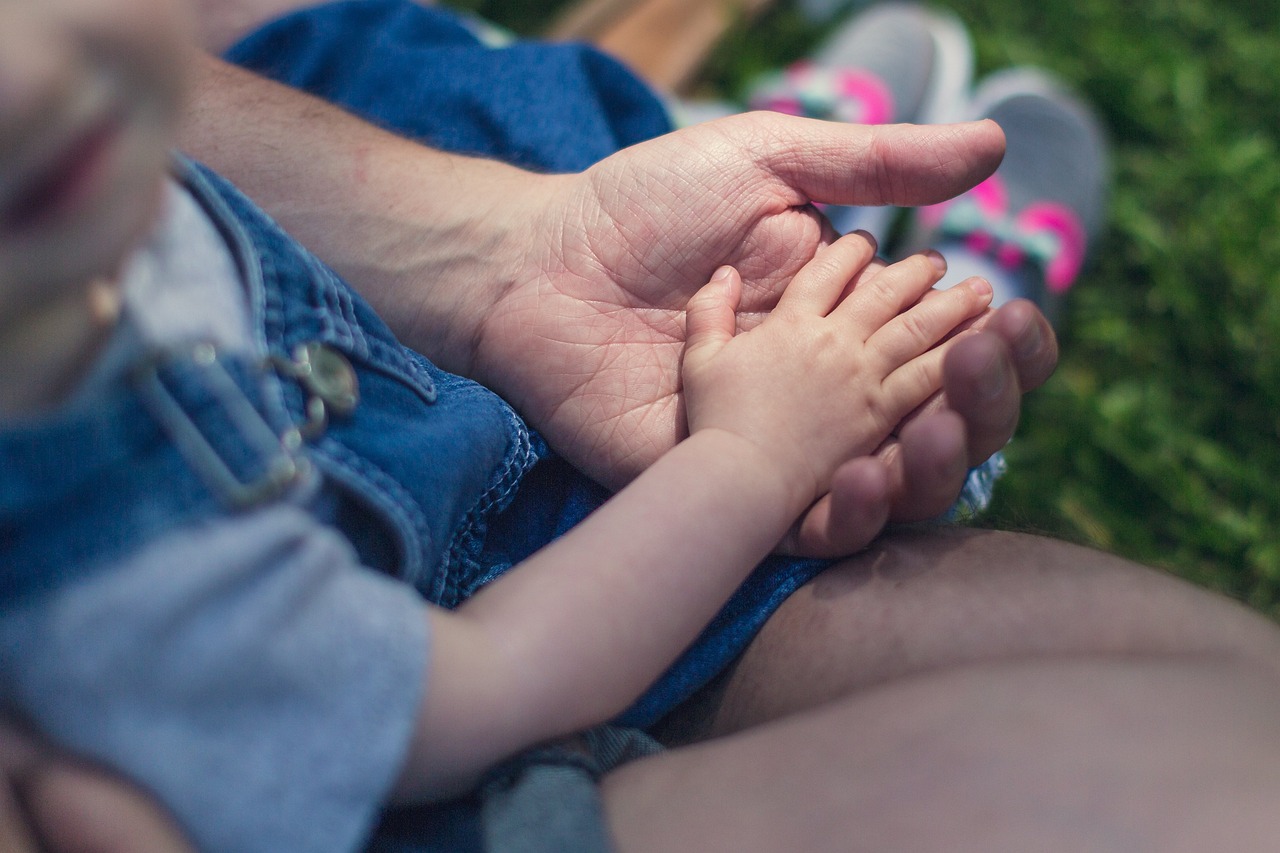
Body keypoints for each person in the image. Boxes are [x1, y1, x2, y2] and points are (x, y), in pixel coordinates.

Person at [0, 1, 1021, 851]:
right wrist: (755, 452)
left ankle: (806, 248)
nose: (27, 76)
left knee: (446, 77)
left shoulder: (65, 185)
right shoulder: (107, 567)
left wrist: (504, 250)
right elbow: (475, 690)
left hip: (356, 382)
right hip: (464, 694)